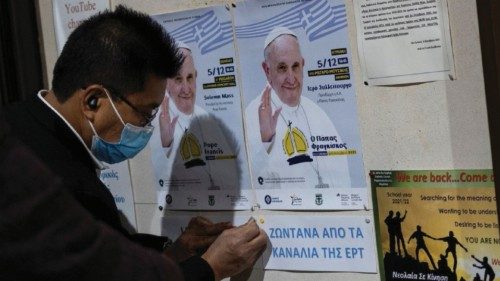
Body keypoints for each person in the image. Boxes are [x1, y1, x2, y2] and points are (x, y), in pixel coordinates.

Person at [2, 5, 267, 280]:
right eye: (146, 112)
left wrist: (174, 251)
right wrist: (210, 267)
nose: (147, 127)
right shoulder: (53, 183)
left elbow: (101, 254)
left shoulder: (18, 125)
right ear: (93, 100)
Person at [245, 26, 350, 189]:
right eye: (282, 68)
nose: (291, 78)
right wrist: (265, 142)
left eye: (295, 66)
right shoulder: (253, 114)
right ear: (267, 70)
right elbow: (249, 182)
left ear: (303, 65)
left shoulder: (317, 113)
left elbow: (343, 175)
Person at [150, 42, 239, 193]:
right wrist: (166, 144)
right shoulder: (154, 120)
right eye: (178, 79)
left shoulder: (206, 118)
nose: (186, 89)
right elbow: (156, 180)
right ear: (166, 83)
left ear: (196, 77)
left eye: (189, 78)